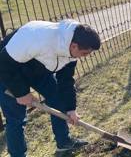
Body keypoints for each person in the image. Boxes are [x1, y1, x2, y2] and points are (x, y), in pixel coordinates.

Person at [0, 19, 101, 156]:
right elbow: (4, 64)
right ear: (74, 46)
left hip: (37, 66)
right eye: (84, 53)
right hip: (7, 69)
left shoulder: (72, 46)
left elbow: (65, 80)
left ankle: (64, 143)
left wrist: (71, 108)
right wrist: (21, 92)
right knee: (16, 118)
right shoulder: (37, 38)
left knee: (58, 99)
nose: (84, 57)